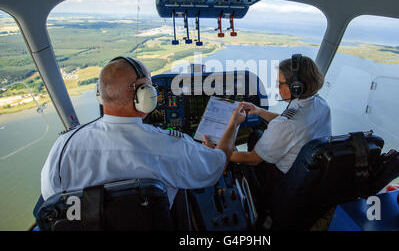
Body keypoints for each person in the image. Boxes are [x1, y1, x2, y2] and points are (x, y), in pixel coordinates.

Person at [40, 56, 246, 207]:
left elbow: (52, 201)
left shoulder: (63, 146)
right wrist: (233, 124)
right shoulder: (172, 146)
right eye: (151, 89)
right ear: (144, 96)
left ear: (100, 94)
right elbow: (216, 166)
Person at [226, 54, 332, 213]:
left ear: (296, 87)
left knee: (239, 155)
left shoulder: (286, 124)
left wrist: (218, 152)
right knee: (256, 135)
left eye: (280, 83)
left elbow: (253, 159)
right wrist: (259, 111)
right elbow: (292, 124)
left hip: (279, 179)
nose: (277, 87)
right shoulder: (320, 104)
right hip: (306, 174)